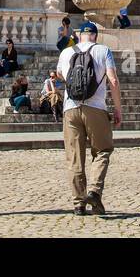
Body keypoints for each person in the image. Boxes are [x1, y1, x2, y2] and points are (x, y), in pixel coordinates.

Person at [58, 21, 122, 216]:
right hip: (96, 107)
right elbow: (113, 80)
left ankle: (78, 204)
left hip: (70, 109)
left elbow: (61, 74)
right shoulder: (103, 50)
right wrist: (118, 109)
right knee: (102, 150)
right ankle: (94, 191)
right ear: (95, 35)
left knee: (75, 157)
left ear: (78, 36)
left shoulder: (66, 52)